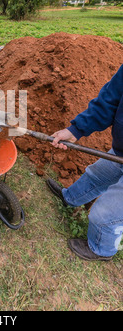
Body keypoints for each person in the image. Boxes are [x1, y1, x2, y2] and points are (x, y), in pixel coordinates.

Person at [47, 65, 123, 261]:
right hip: (121, 151)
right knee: (96, 175)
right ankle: (69, 198)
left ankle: (101, 249)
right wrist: (75, 130)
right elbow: (109, 101)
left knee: (106, 213)